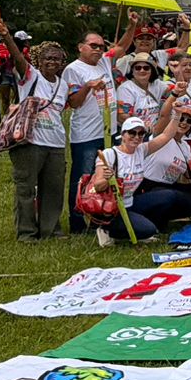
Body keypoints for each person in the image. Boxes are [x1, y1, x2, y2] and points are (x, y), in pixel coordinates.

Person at [0, 20, 68, 241]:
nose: (52, 61)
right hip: (29, 141)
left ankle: (51, 230)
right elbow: (17, 58)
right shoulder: (30, 76)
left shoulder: (62, 84)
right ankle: (27, 232)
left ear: (63, 62)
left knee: (53, 190)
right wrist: (7, 36)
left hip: (55, 143)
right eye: (48, 58)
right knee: (26, 189)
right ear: (39, 60)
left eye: (56, 58)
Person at [62, 21, 133, 233]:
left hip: (109, 132)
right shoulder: (72, 69)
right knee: (83, 178)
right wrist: (88, 86)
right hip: (86, 135)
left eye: (101, 46)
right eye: (93, 45)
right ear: (80, 47)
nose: (98, 50)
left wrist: (132, 26)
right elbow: (73, 103)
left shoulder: (105, 62)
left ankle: (99, 218)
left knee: (104, 177)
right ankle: (77, 223)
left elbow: (121, 47)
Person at [88, 113, 186, 245]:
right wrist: (108, 179)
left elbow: (166, 136)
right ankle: (107, 229)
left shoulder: (141, 150)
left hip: (130, 202)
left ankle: (137, 226)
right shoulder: (109, 154)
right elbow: (98, 186)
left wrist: (176, 115)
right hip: (112, 208)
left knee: (167, 196)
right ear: (123, 135)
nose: (136, 137)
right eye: (132, 133)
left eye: (141, 134)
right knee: (148, 230)